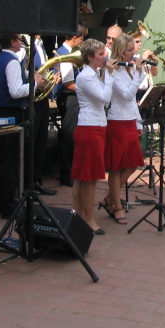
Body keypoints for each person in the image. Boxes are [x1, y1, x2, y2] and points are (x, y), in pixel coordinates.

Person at [0, 32, 44, 218]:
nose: (22, 42)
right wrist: (35, 84)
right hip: (8, 113)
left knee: (1, 160)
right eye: (20, 39)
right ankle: (8, 206)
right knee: (10, 162)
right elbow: (16, 91)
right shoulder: (11, 62)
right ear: (13, 42)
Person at [101, 34, 148, 224]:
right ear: (120, 51)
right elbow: (127, 95)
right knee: (116, 167)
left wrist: (138, 122)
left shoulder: (130, 68)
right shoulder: (113, 70)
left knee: (132, 163)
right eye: (129, 50)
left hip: (130, 120)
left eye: (133, 50)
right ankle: (116, 205)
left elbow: (132, 102)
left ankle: (108, 198)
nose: (132, 53)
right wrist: (139, 73)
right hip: (117, 121)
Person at [71, 38, 113, 235]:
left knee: (83, 177)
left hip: (95, 126)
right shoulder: (86, 76)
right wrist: (110, 75)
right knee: (88, 178)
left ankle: (78, 217)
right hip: (89, 128)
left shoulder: (93, 73)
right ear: (89, 57)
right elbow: (105, 98)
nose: (105, 57)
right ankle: (87, 219)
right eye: (101, 54)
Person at [55, 25, 86, 187]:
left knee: (72, 135)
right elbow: (68, 83)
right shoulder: (65, 54)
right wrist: (87, 89)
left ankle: (70, 171)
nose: (81, 42)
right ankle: (67, 174)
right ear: (74, 38)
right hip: (69, 98)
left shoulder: (67, 52)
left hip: (72, 97)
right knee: (69, 135)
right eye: (81, 39)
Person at [31, 34, 58, 195]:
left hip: (42, 99)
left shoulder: (41, 45)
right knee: (33, 142)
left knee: (41, 141)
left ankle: (37, 180)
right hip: (33, 99)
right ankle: (30, 182)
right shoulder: (28, 44)